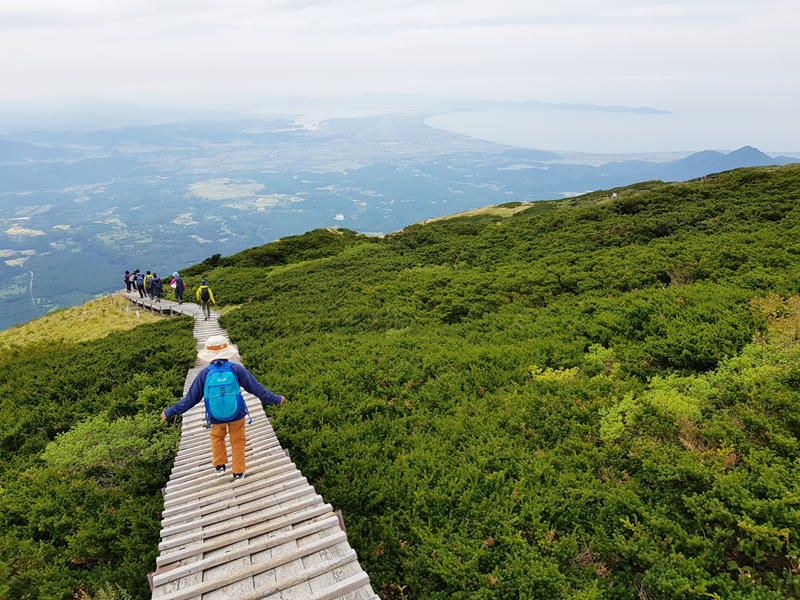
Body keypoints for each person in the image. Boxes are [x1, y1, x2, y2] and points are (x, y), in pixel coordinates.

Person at [161, 335, 286, 480]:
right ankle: (238, 472)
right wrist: (275, 398)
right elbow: (255, 388)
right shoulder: (236, 369)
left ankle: (219, 465)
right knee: (238, 441)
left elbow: (190, 399)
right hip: (237, 413)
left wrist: (171, 411)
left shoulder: (204, 374)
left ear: (208, 355)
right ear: (227, 352)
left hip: (215, 415)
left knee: (217, 437)